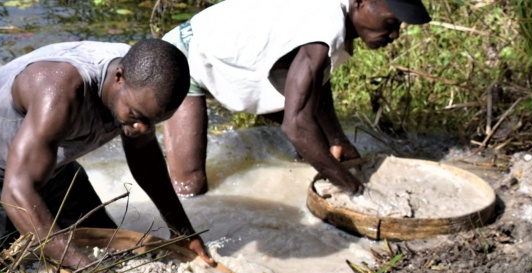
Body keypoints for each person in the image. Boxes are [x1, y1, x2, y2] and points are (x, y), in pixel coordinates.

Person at [0, 39, 214, 273]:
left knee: (112, 255)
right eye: (135, 116)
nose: (142, 128)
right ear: (118, 77)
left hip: (50, 163)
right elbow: (15, 193)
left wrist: (180, 226)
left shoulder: (143, 84)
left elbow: (145, 157)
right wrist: (83, 269)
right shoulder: (60, 91)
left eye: (153, 121)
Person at [161, 0, 431, 196]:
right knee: (190, 187)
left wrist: (338, 139)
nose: (395, 35)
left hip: (230, 58)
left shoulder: (333, 17)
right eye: (391, 23)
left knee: (322, 147)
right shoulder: (325, 27)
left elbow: (317, 81)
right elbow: (296, 127)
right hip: (184, 57)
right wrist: (352, 186)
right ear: (361, 2)